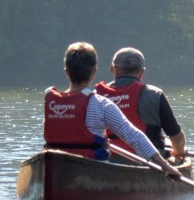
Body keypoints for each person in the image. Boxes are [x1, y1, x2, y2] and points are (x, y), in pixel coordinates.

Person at [43, 42, 177, 171]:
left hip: (55, 166)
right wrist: (165, 166)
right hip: (91, 169)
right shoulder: (101, 104)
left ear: (66, 72)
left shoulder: (50, 101)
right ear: (94, 73)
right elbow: (134, 137)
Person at [98, 47, 186, 165]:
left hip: (107, 162)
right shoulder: (154, 94)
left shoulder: (96, 96)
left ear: (115, 70)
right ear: (142, 73)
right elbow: (177, 137)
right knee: (178, 157)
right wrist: (179, 152)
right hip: (150, 162)